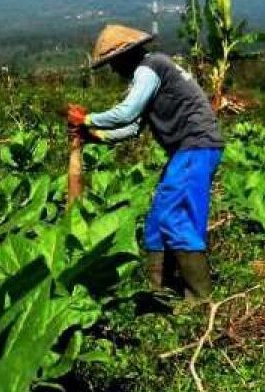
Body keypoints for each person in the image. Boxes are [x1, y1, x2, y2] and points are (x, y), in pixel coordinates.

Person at [68, 24, 224, 300]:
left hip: (195, 146)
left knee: (177, 217)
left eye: (113, 64)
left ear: (124, 57)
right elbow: (133, 127)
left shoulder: (149, 69)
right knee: (157, 219)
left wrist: (87, 119)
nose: (114, 71)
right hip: (186, 151)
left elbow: (127, 113)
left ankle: (199, 300)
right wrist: (96, 136)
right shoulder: (151, 74)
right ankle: (158, 291)